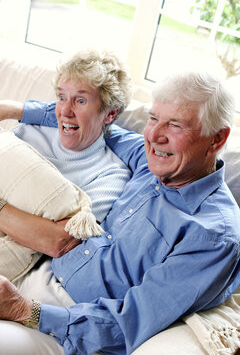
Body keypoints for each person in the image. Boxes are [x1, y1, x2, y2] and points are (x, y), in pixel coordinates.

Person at [0, 70, 239, 355]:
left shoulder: (214, 236)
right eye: (153, 118)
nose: (153, 136)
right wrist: (13, 109)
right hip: (38, 270)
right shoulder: (151, 161)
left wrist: (24, 310)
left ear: (217, 139)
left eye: (175, 125)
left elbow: (130, 322)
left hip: (69, 326)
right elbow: (88, 123)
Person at [0, 48, 132, 258]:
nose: (65, 111)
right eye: (62, 97)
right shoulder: (28, 131)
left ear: (110, 113)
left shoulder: (110, 175)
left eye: (80, 101)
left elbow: (59, 241)